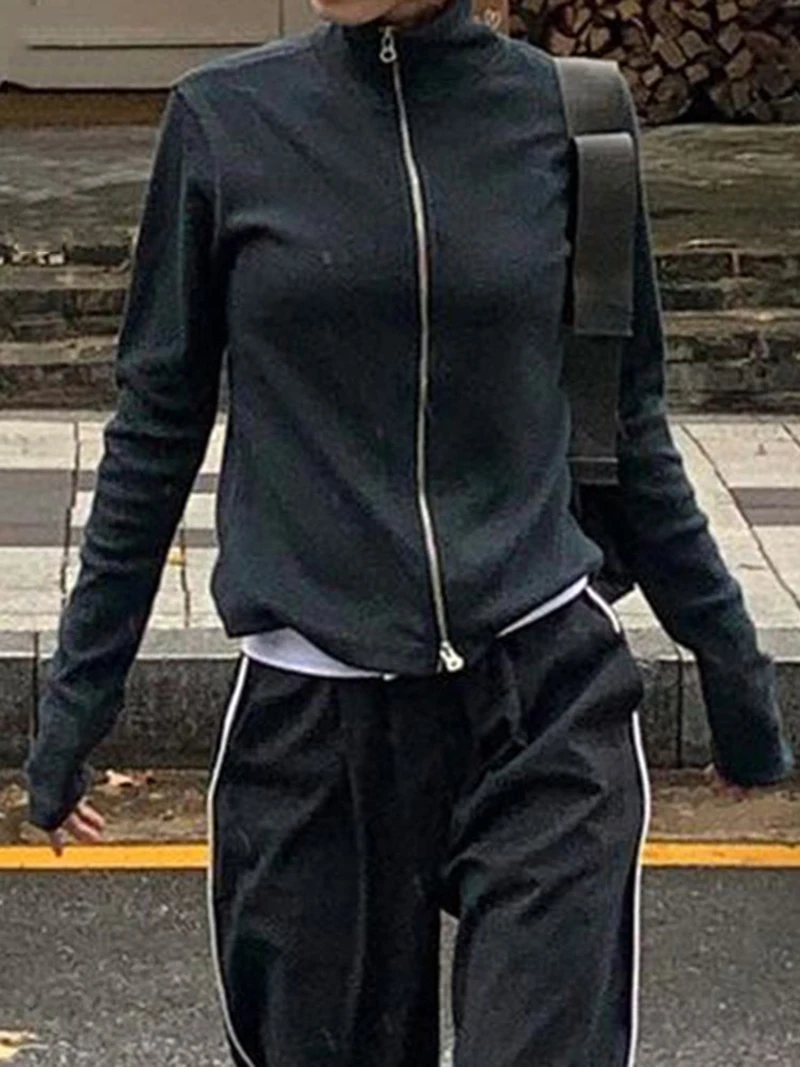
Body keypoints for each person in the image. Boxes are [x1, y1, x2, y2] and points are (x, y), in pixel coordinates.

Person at [24, 0, 793, 1063]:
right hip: (311, 722)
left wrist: (735, 677)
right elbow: (153, 433)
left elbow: (626, 423)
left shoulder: (569, 121)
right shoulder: (224, 122)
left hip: (540, 697)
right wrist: (76, 706)